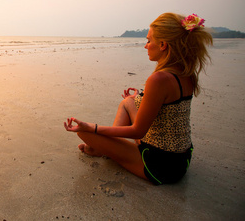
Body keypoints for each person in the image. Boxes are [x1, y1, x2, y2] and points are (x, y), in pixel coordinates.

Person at [64, 13, 213, 185]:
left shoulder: (160, 79)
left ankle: (104, 149)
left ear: (163, 45)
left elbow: (137, 132)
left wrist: (93, 127)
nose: (145, 46)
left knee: (83, 131)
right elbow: (168, 109)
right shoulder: (186, 73)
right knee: (128, 102)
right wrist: (138, 99)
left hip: (161, 166)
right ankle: (107, 148)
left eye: (149, 41)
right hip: (181, 159)